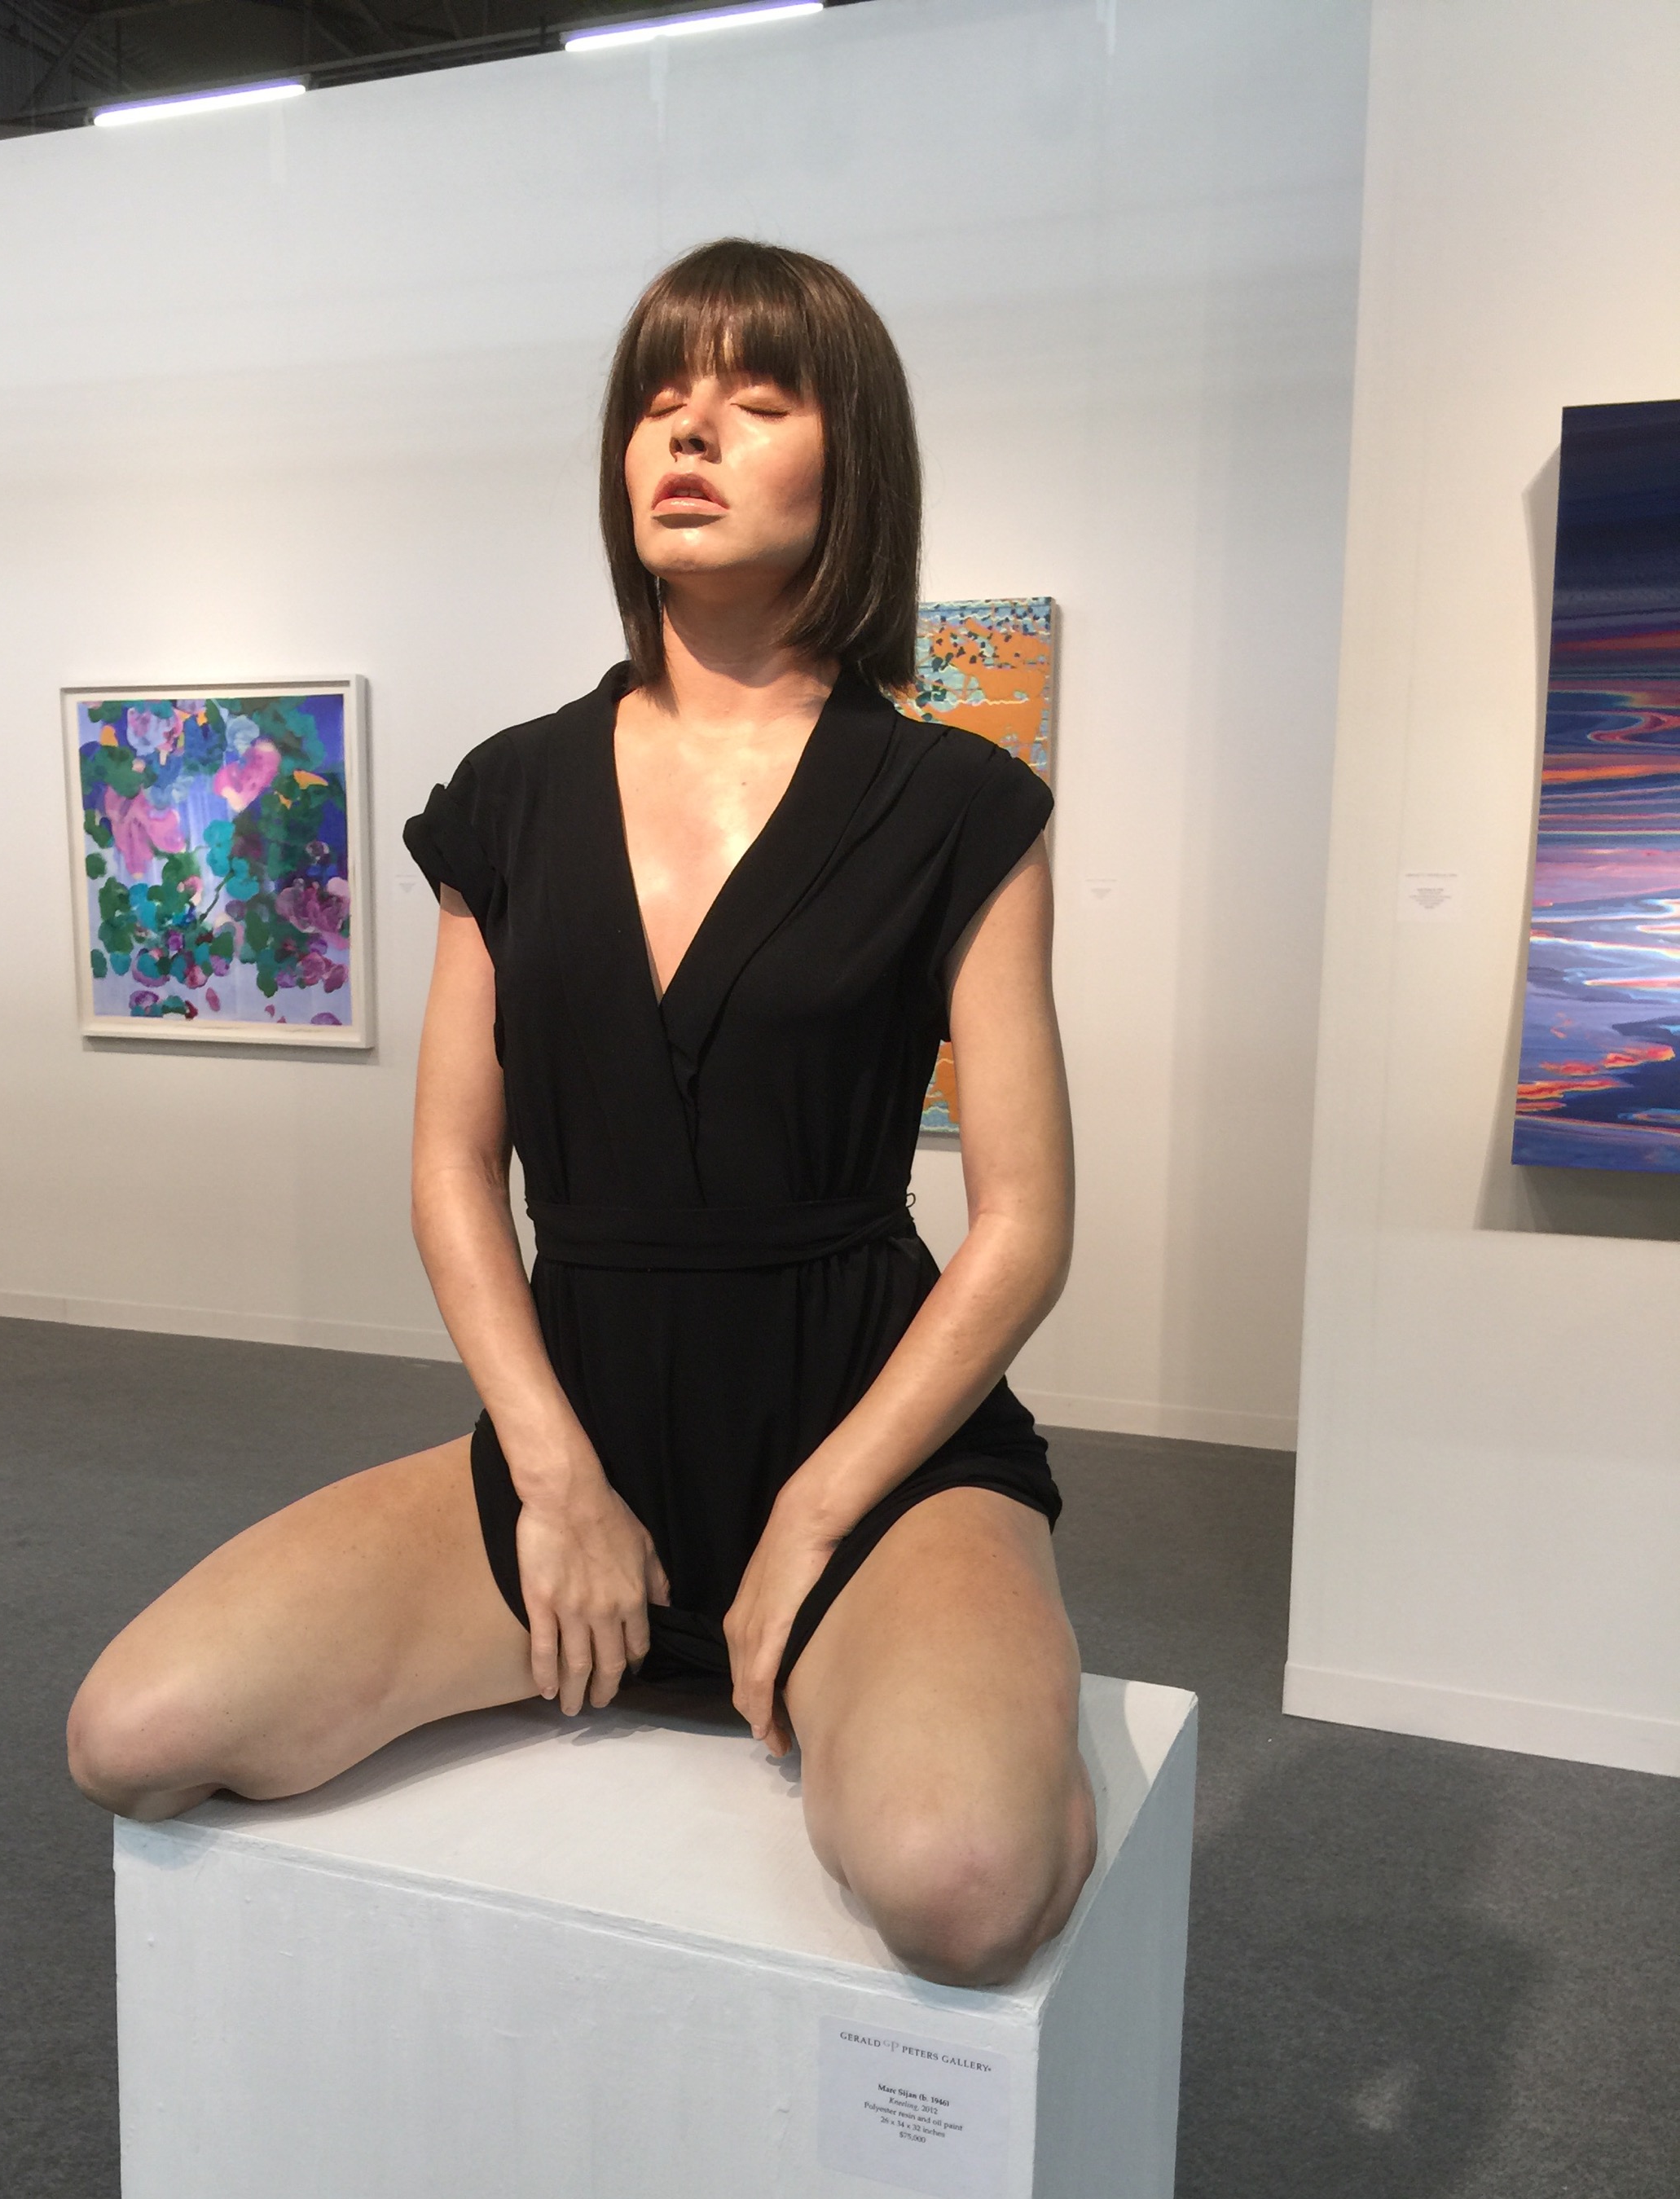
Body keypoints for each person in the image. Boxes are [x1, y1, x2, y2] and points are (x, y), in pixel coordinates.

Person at [68, 239, 1096, 1989]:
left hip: (873, 1439)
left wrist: (818, 1513)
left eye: (755, 401)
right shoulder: (510, 794)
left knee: (960, 1887)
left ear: (853, 459)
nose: (688, 436)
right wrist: (553, 1479)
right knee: (133, 1732)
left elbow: (1023, 1225)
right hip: (580, 1422)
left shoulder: (958, 805)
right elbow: (453, 1168)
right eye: (658, 404)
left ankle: (982, 1693)